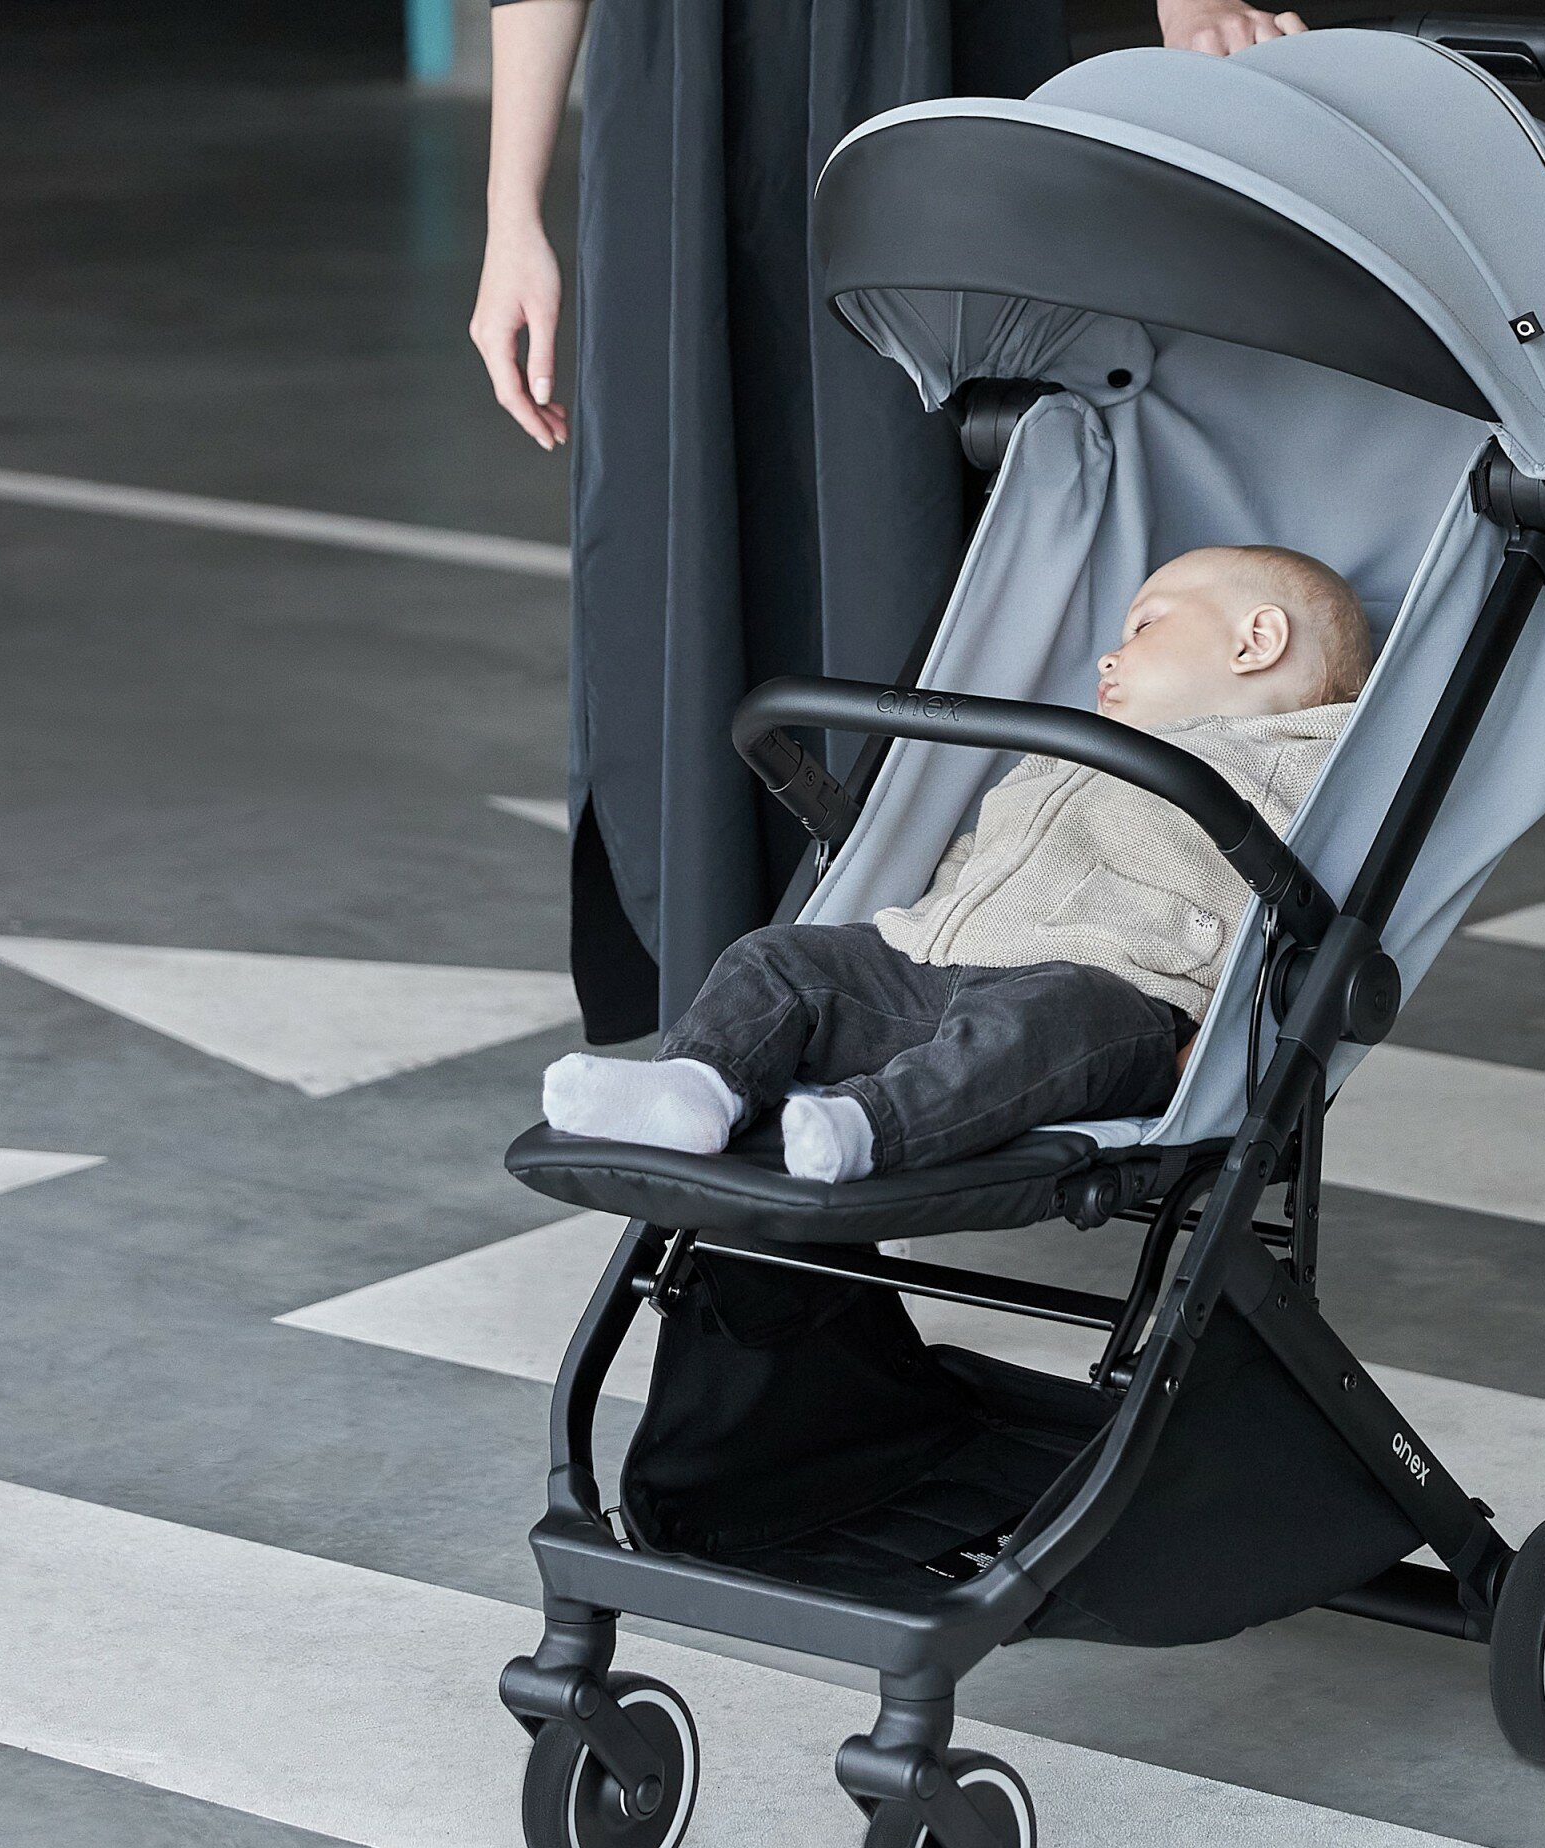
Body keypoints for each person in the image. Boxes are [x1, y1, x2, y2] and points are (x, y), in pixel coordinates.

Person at [471, 3, 1310, 1045]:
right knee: (683, 529)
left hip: (927, 48)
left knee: (927, 523)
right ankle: (733, 1011)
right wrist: (511, 217)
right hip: (676, 88)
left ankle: (937, 978)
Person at [542, 544, 1369, 1181]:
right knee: (778, 958)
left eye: (1144, 628)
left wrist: (1219, 1037)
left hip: (1115, 997)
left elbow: (1289, 907)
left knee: (1035, 1022)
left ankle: (870, 1127)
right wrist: (918, 929)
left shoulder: (1309, 764)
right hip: (936, 962)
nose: (1107, 657)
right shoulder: (1075, 751)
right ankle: (696, 1086)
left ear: (1256, 641)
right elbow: (984, 849)